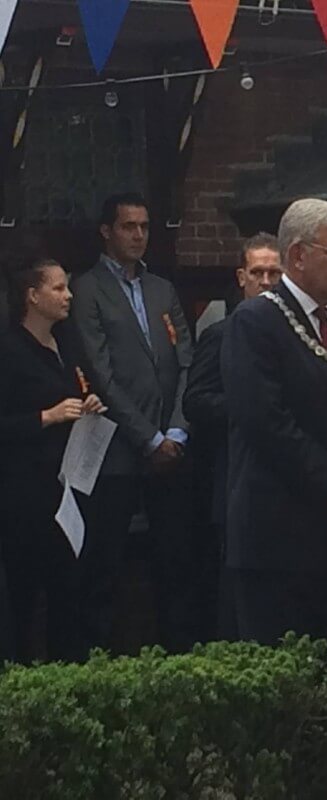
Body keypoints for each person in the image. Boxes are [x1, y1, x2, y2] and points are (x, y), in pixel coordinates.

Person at [221, 198, 327, 687]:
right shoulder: (254, 323)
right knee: (286, 686)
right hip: (278, 534)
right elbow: (264, 421)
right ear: (296, 255)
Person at [70, 192, 198, 654]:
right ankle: (97, 660)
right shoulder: (85, 289)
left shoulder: (162, 288)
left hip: (172, 443)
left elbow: (187, 359)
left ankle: (177, 657)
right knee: (106, 563)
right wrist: (148, 437)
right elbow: (98, 373)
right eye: (129, 226)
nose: (139, 235)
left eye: (144, 226)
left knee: (175, 560)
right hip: (118, 449)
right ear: (107, 231)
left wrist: (178, 428)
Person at [0, 258, 108, 662]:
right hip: (25, 496)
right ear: (33, 296)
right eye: (59, 288)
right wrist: (45, 417)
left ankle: (70, 675)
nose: (68, 296)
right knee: (25, 598)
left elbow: (83, 388)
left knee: (70, 593)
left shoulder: (68, 343)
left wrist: (90, 403)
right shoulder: (9, 351)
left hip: (69, 491)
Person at [183, 233, 282, 638]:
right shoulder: (221, 335)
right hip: (237, 477)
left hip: (289, 481)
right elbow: (196, 401)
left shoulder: (300, 331)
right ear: (241, 277)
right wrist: (247, 411)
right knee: (237, 589)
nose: (266, 280)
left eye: (274, 273)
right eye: (257, 272)